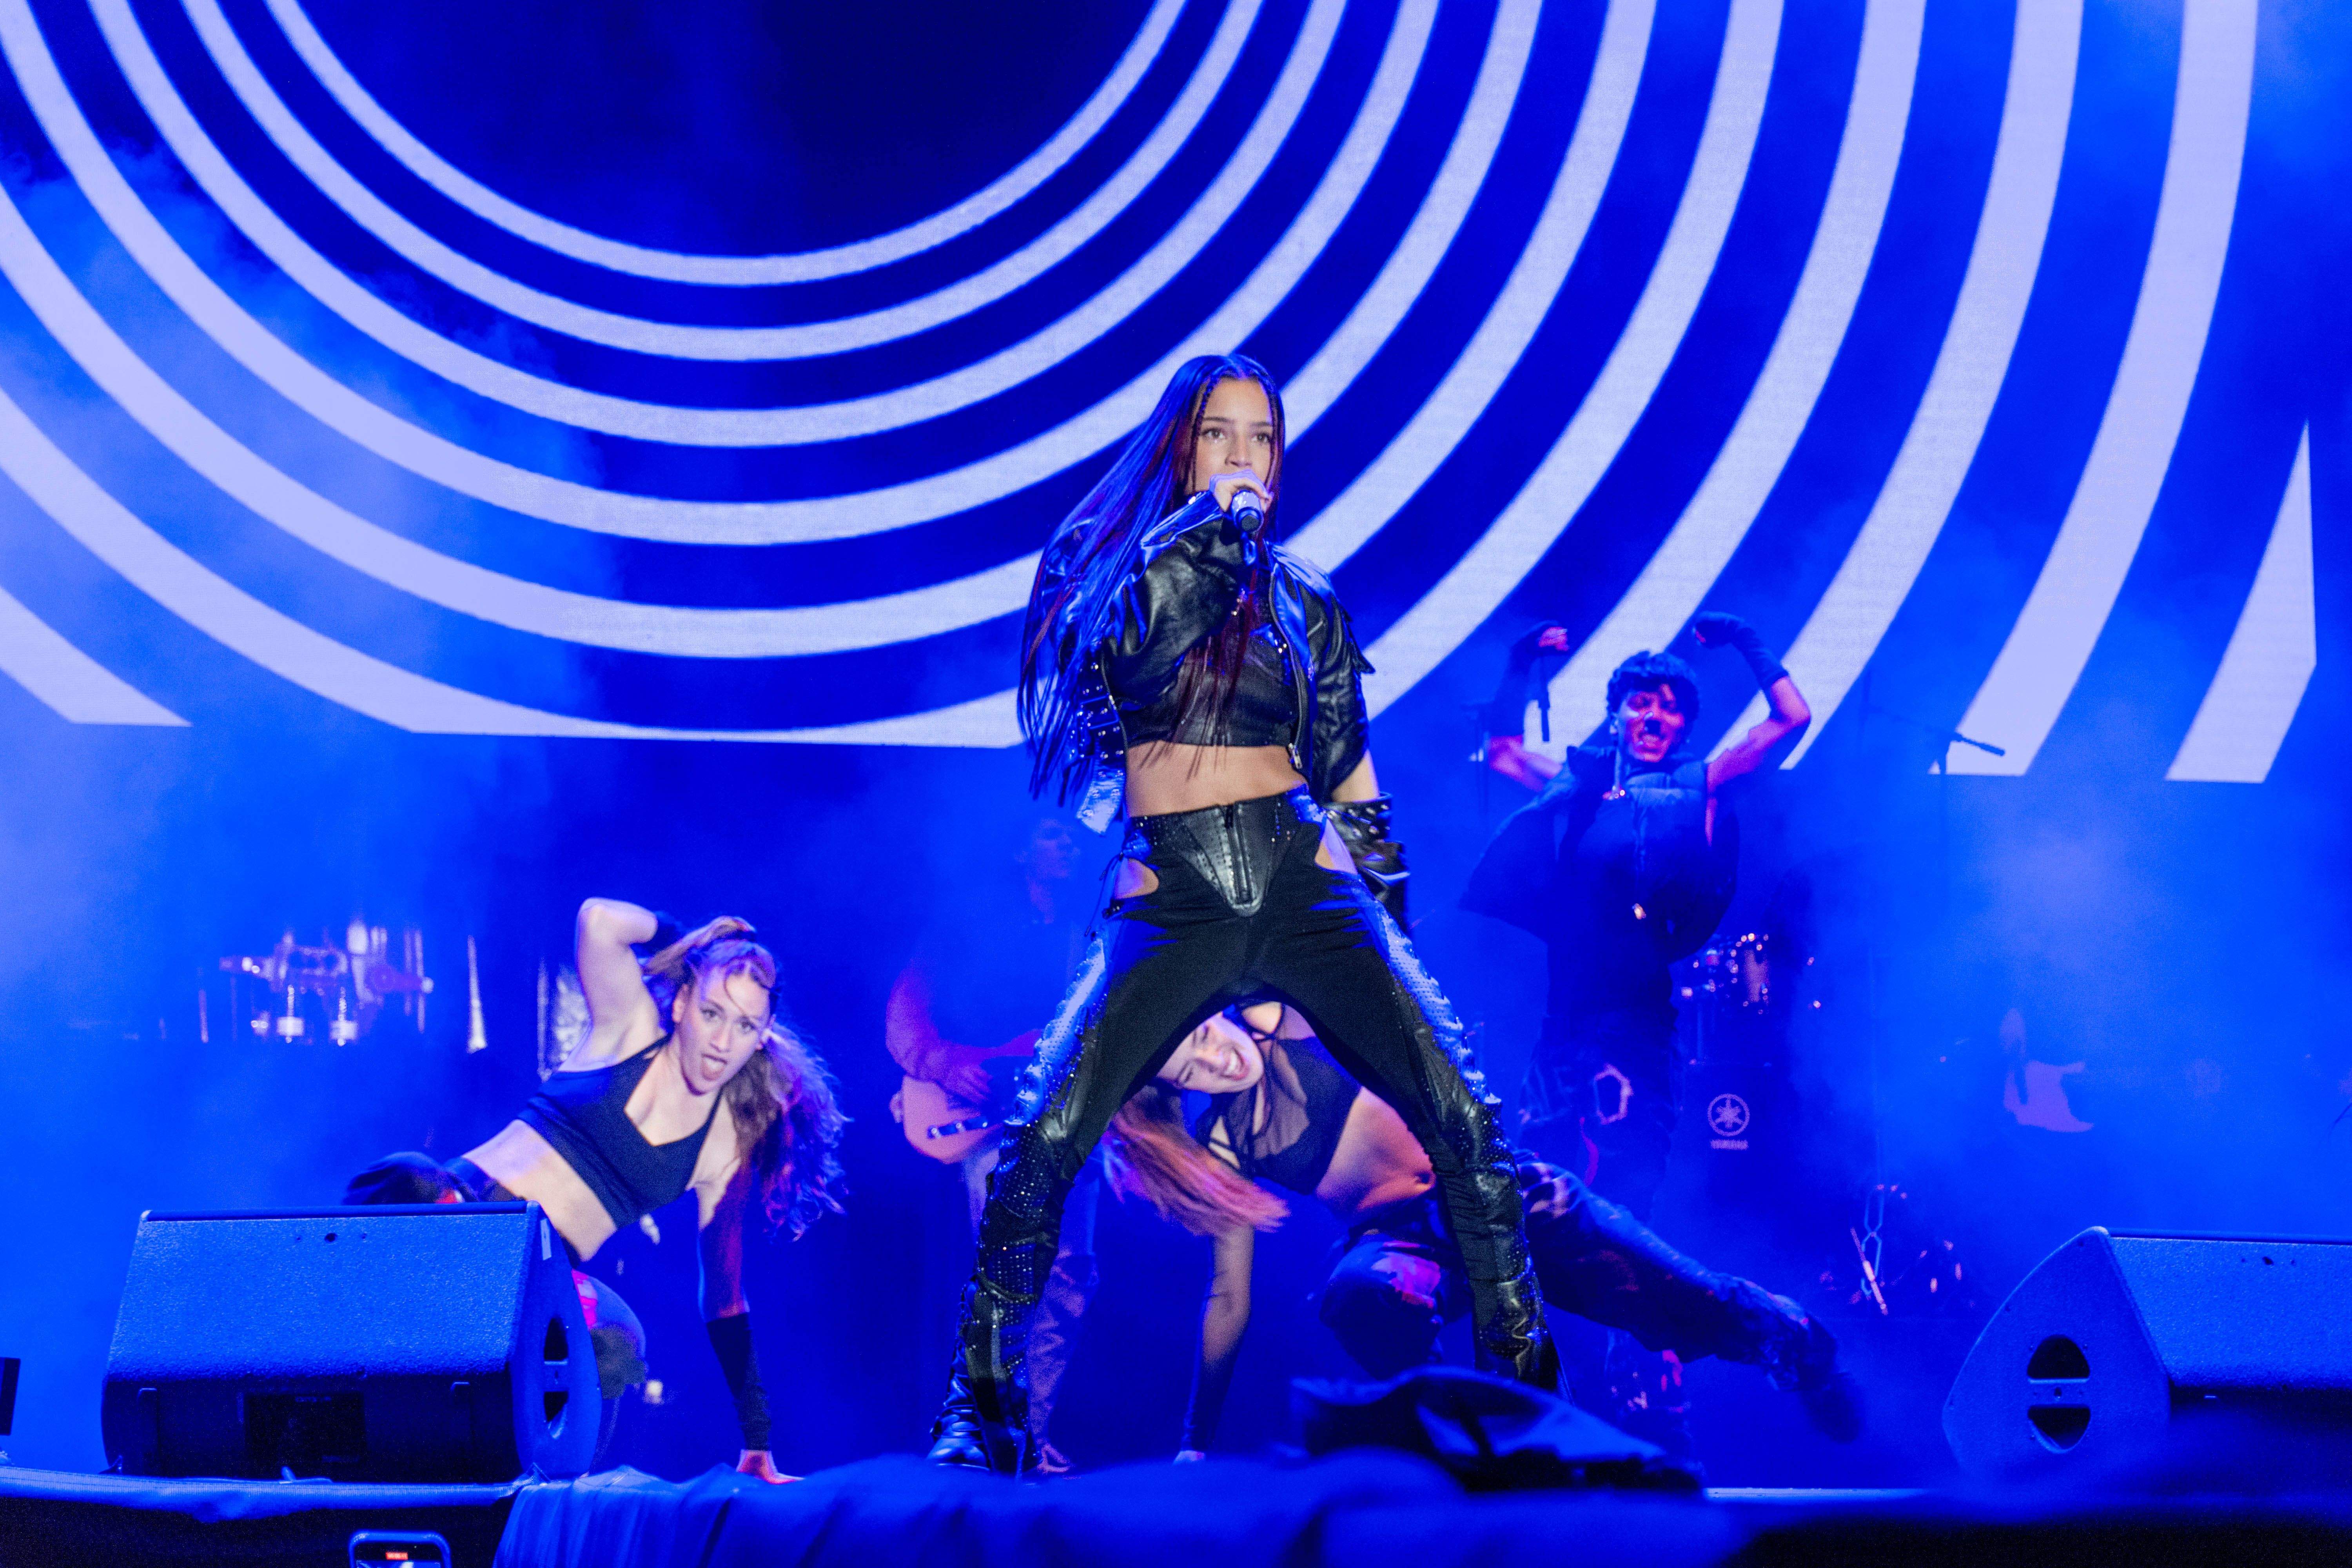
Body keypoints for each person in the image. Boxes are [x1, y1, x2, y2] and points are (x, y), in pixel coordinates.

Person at [927, 352, 1553, 1474]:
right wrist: (1209, 531)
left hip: (1305, 881)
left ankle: (1525, 1402)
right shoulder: (1114, 569)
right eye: (1222, 433)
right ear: (1183, 443)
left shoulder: (1302, 595)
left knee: (1466, 1121)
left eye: (1262, 438)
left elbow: (1351, 775)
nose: (1246, 457)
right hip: (1174, 894)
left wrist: (1390, 929)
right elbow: (1129, 661)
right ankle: (980, 1409)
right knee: (1046, 1137)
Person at [1104, 1005, 1857, 1455]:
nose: (1217, 1059)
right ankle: (1460, 1445)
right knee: (1359, 1293)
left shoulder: (1278, 1017)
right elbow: (1228, 1298)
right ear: (1178, 1093)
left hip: (1502, 1196)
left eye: (1204, 1035)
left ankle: (1803, 1351)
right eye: (1191, 1072)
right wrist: (1195, 1443)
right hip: (1402, 1244)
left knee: (1687, 1301)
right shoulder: (1225, 1144)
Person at [346, 901, 846, 1481]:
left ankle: (539, 1494)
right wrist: (695, 944)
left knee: (618, 1338)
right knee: (406, 1174)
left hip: (531, 1281)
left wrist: (757, 1440)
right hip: (460, 1207)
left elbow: (725, 1297)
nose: (721, 1043)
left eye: (744, 1027)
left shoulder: (725, 1148)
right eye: (712, 1013)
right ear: (682, 1003)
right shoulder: (627, 1028)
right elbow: (597, 919)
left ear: (761, 1038)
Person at [1464, 616, 1809, 1448]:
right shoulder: (1579, 785)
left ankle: (1650, 1386)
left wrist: (1747, 644)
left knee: (1625, 1193)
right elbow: (1503, 749)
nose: (1652, 717)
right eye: (1639, 704)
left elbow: (1790, 720)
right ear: (1617, 713)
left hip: (1634, 1025)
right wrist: (1519, 663)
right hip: (1562, 1024)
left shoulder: (1700, 781)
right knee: (1534, 1193)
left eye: (1668, 707)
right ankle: (1552, 1389)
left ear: (1684, 723)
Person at [886, 815, 1101, 1475]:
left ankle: (1027, 1432)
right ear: (1020, 849)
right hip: (988, 1121)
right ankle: (993, 1435)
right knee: (1010, 1274)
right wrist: (939, 1062)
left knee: (1071, 1274)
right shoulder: (971, 921)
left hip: (1074, 1120)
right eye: (1053, 835)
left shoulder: (1091, 930)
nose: (1067, 847)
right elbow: (907, 1003)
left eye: (1074, 838)